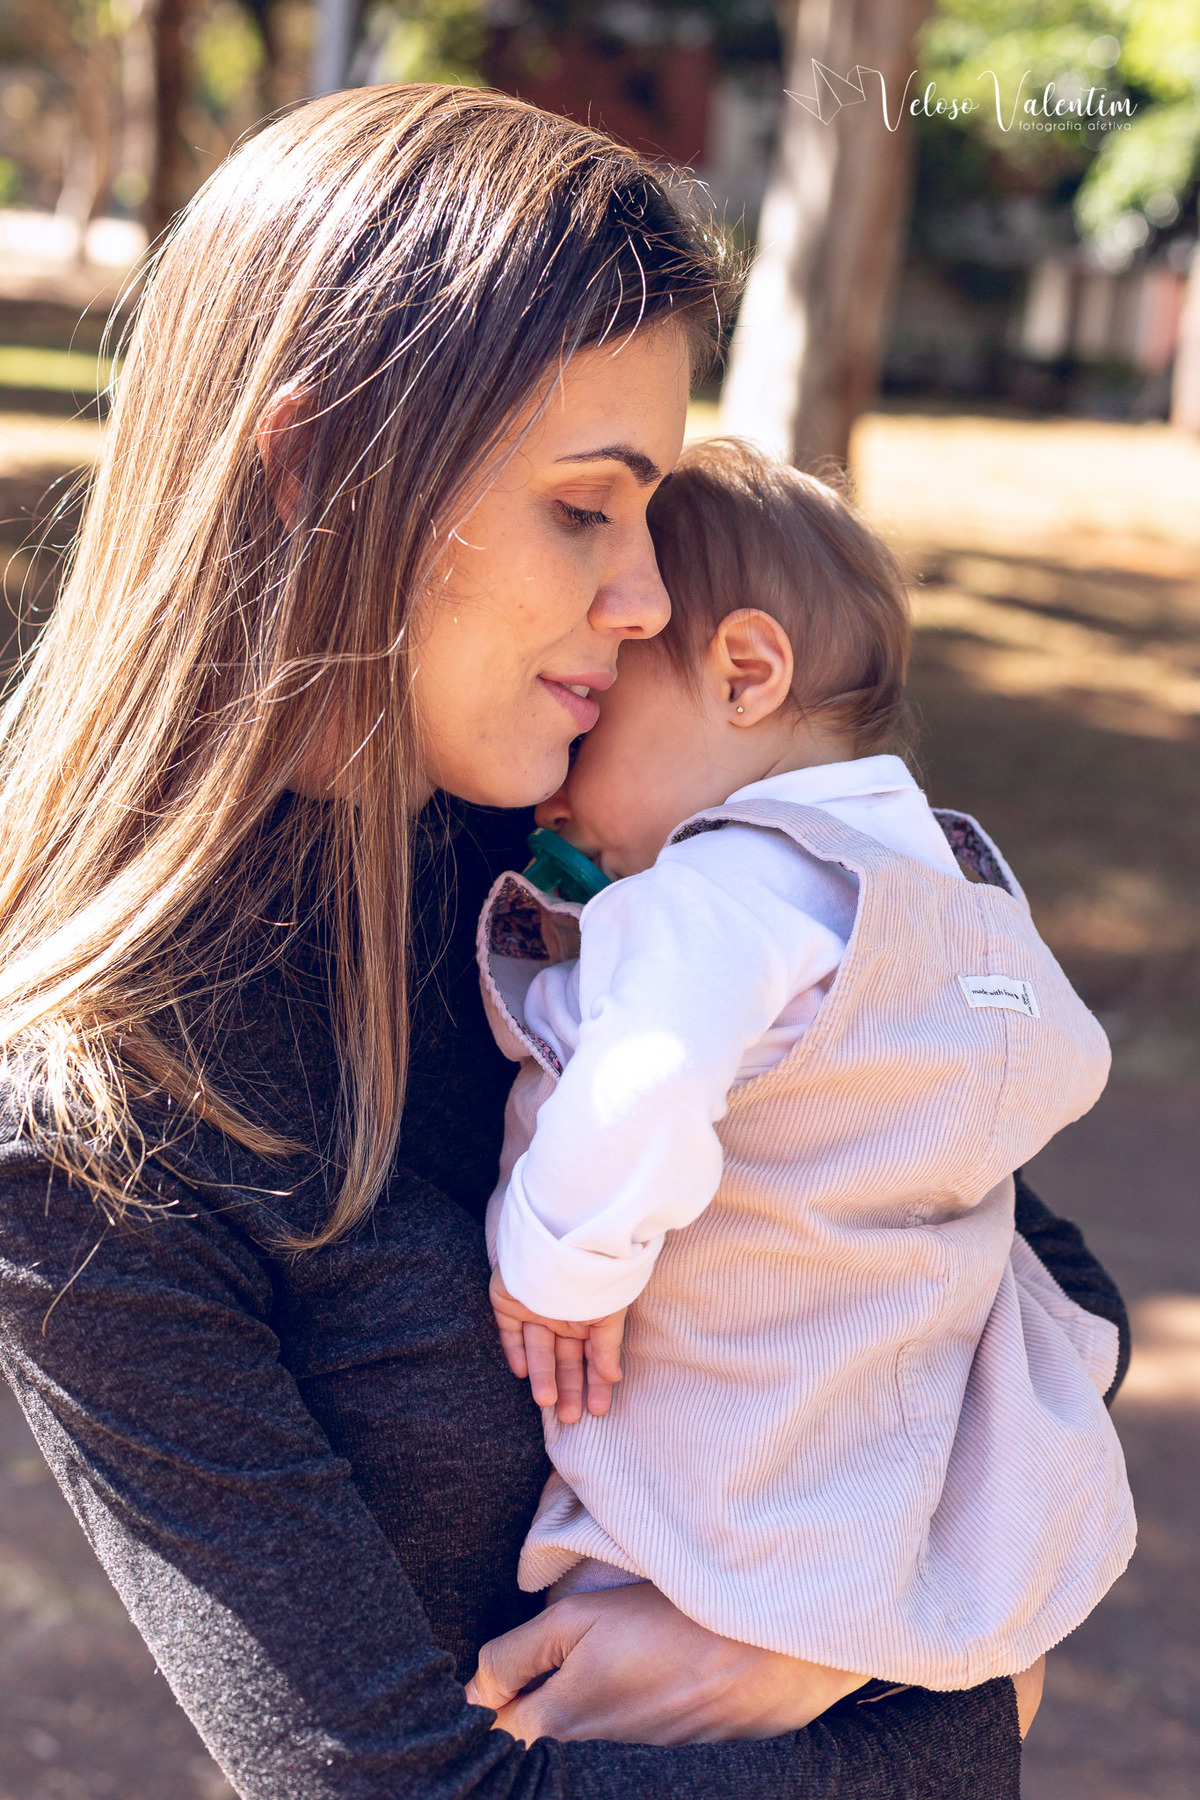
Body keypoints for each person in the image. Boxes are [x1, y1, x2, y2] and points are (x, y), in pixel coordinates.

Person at [0, 84, 1126, 1799]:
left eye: (657, 520)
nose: (652, 604)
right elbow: (398, 1789)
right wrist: (966, 1702)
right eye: (585, 511)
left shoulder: (591, 849)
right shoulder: (92, 1121)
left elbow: (1040, 1278)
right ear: (315, 467)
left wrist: (813, 1637)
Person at [478, 440, 1135, 1712]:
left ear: (744, 672)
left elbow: (648, 1081)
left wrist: (557, 1270)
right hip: (904, 1468)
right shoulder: (955, 892)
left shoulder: (716, 889)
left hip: (723, 1469)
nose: (556, 784)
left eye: (600, 699)